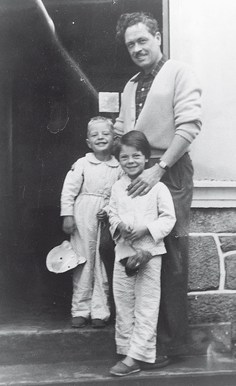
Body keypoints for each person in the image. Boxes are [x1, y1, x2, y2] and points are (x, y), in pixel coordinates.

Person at [114, 12, 202, 367]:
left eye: (142, 40)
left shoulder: (179, 71)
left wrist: (159, 168)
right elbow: (123, 130)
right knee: (133, 249)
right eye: (130, 44)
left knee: (170, 256)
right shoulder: (132, 84)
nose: (137, 48)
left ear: (158, 37)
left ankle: (170, 346)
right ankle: (139, 341)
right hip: (137, 173)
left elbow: (190, 125)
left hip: (170, 170)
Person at [107, 131, 176, 377]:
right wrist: (119, 226)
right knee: (124, 302)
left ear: (146, 158)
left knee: (146, 304)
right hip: (124, 252)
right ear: (118, 160)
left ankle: (135, 356)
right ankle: (128, 350)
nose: (130, 161)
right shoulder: (117, 187)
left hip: (149, 252)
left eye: (136, 156)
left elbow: (169, 219)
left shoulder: (158, 188)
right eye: (124, 157)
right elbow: (112, 213)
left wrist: (146, 228)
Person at [60, 116, 123, 328]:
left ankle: (100, 310)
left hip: (107, 219)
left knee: (103, 264)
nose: (100, 138)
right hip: (83, 216)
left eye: (105, 134)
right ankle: (80, 309)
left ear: (114, 139)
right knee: (82, 261)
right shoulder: (82, 163)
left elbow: (120, 194)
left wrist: (109, 210)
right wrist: (67, 215)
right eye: (95, 135)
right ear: (88, 142)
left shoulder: (119, 167)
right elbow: (68, 191)